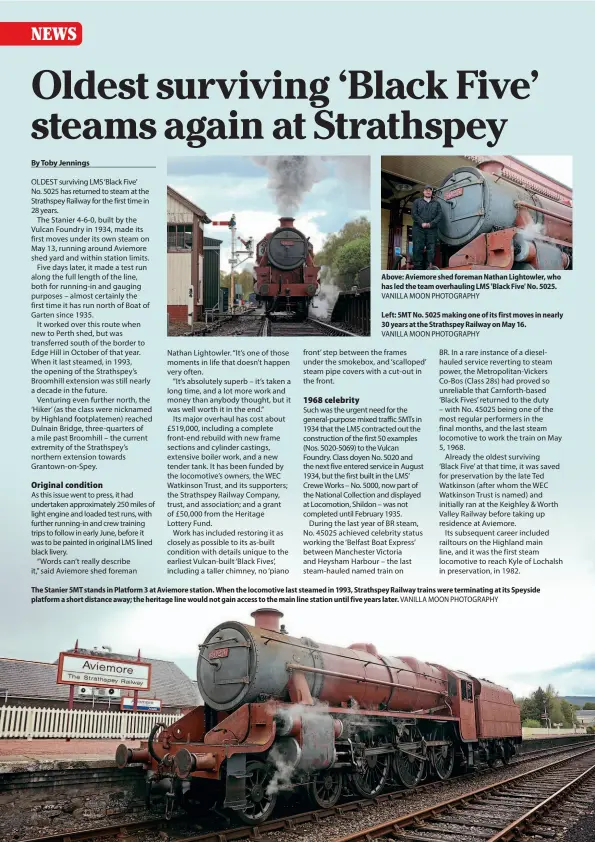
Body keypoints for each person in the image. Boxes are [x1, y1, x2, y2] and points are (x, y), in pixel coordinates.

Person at [411, 185, 442, 269]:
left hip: (431, 230)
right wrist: (421, 223)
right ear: (423, 192)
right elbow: (414, 214)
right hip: (418, 229)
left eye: (430, 190)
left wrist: (430, 224)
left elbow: (439, 216)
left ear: (431, 192)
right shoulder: (417, 202)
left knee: (431, 248)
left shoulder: (437, 204)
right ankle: (418, 269)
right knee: (417, 248)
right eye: (426, 190)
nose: (428, 191)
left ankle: (429, 267)